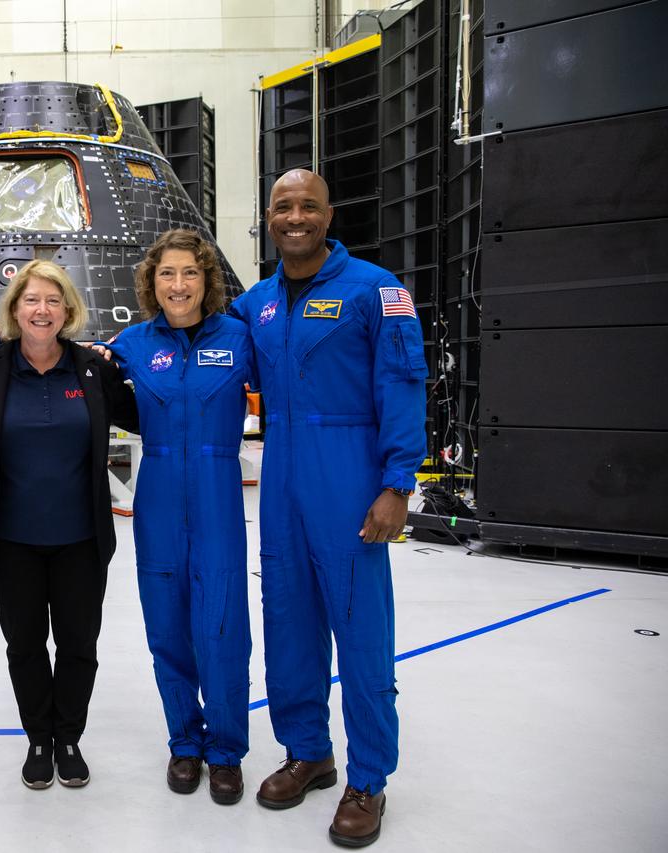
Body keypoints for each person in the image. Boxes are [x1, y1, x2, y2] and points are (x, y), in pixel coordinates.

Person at [229, 168, 426, 848]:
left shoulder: (377, 291)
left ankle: (368, 776)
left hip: (351, 467)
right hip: (281, 468)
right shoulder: (255, 304)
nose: (295, 216)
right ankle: (308, 751)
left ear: (328, 214)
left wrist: (397, 482)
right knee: (287, 619)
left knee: (360, 629)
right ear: (269, 216)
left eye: (307, 205)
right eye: (282, 206)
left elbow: (403, 381)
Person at [0, 260, 139, 791]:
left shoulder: (93, 369)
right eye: (31, 300)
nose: (42, 310)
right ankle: (39, 737)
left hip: (81, 540)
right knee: (24, 645)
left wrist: (130, 354)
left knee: (79, 644)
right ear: (14, 309)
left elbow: (143, 411)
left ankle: (69, 737)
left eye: (53, 300)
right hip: (11, 539)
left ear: (68, 310)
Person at [103, 229, 254, 806]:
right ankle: (184, 742)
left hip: (217, 492)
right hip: (158, 494)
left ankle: (226, 750)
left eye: (189, 272)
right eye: (167, 273)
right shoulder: (133, 346)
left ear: (206, 279)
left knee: (220, 625)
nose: (178, 284)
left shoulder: (240, 339)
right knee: (165, 625)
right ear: (152, 282)